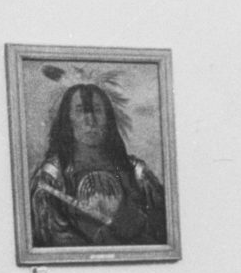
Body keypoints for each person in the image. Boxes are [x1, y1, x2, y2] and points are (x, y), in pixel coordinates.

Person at [30, 83, 168, 248]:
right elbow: (47, 238)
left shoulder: (135, 173)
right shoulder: (51, 177)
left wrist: (129, 223)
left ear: (108, 119)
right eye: (80, 111)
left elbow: (162, 231)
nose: (90, 121)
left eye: (97, 110)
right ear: (67, 119)